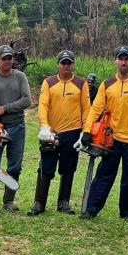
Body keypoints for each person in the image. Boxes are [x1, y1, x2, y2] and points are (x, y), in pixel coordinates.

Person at [80, 46, 128, 222]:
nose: (124, 62)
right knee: (104, 174)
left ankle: (127, 213)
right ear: (115, 61)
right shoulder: (107, 84)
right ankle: (91, 209)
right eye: (121, 58)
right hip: (111, 139)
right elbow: (95, 108)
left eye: (127, 58)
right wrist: (87, 130)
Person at [28, 49, 90, 216]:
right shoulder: (48, 82)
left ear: (73, 65)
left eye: (69, 63)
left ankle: (64, 203)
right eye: (63, 63)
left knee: (68, 168)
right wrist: (44, 126)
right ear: (58, 64)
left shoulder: (81, 83)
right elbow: (43, 105)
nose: (66, 66)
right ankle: (39, 203)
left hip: (72, 131)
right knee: (46, 166)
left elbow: (86, 109)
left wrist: (85, 131)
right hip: (51, 132)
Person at [0, 45, 31, 215]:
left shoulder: (20, 76)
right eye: (3, 58)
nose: (7, 61)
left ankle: (8, 201)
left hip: (17, 126)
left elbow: (27, 100)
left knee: (15, 165)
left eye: (9, 58)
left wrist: (5, 108)